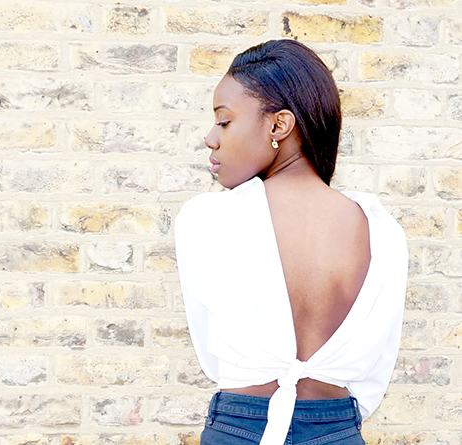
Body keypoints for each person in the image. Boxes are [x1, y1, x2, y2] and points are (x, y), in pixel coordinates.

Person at [174, 39, 408, 445]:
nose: (211, 138)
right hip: (336, 428)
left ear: (279, 125)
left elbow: (213, 354)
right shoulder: (381, 229)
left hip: (240, 427)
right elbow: (376, 366)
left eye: (224, 121)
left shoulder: (207, 218)